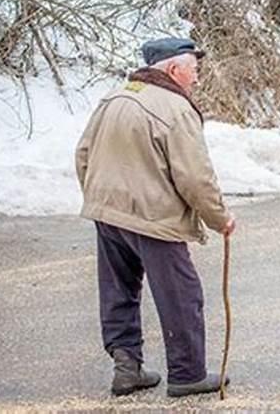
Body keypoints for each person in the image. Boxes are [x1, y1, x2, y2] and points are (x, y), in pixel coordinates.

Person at [75, 38, 236, 397]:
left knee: (119, 291)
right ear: (174, 69)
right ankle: (187, 374)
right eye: (194, 70)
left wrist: (100, 197)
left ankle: (126, 368)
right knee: (182, 295)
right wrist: (220, 218)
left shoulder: (114, 98)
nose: (196, 79)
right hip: (152, 217)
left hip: (108, 212)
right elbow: (195, 177)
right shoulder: (175, 108)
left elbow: (83, 154)